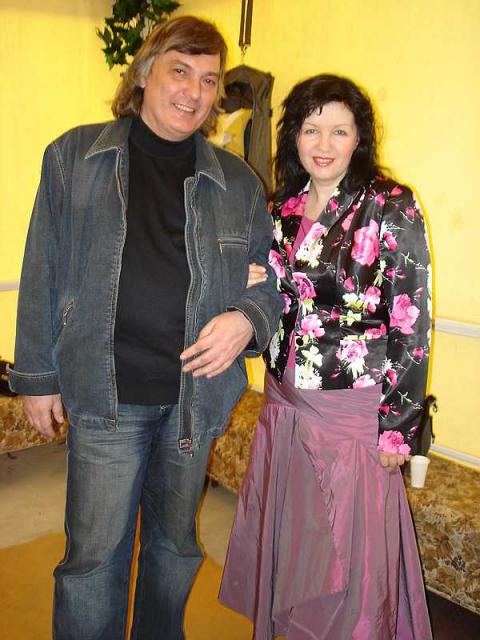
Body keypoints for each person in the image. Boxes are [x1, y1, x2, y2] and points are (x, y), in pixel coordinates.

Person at [8, 16, 281, 640]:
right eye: (180, 71)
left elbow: (272, 281)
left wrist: (248, 318)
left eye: (208, 80)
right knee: (93, 561)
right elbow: (42, 267)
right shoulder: (75, 157)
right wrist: (37, 377)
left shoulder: (238, 182)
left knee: (173, 552)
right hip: (107, 397)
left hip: (193, 403)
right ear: (143, 73)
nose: (194, 91)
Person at [220, 74, 433, 639]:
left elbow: (412, 323)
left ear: (359, 138)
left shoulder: (390, 204)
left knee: (349, 557)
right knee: (297, 547)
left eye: (339, 131)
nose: (323, 144)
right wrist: (253, 279)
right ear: (293, 135)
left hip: (350, 412)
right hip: (284, 403)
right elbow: (276, 293)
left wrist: (398, 431)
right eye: (311, 129)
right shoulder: (280, 208)